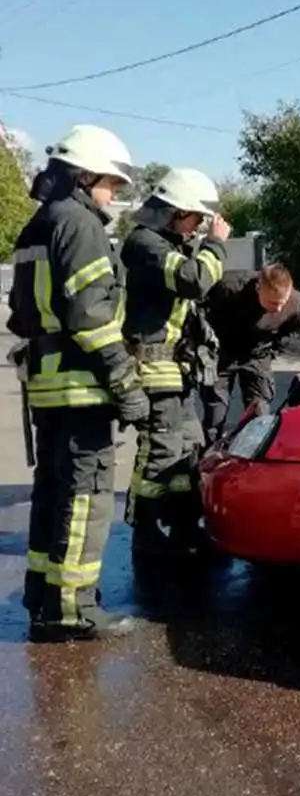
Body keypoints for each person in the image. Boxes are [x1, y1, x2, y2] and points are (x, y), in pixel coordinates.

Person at [7, 124, 149, 642]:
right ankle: (73, 608)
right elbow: (92, 317)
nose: (113, 195)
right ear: (86, 176)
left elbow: (20, 313)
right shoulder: (81, 225)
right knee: (87, 495)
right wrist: (126, 382)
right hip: (82, 386)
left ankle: (44, 597)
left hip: (46, 387)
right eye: (111, 183)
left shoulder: (35, 226)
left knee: (52, 490)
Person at [120, 167, 230, 558]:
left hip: (176, 371)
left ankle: (184, 525)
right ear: (177, 211)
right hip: (153, 370)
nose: (198, 226)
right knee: (160, 450)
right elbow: (195, 279)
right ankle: (144, 528)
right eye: (196, 218)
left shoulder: (165, 244)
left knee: (189, 450)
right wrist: (216, 245)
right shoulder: (145, 244)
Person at [199, 263, 300, 446]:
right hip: (222, 353)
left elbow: (292, 327)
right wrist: (204, 345)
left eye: (282, 302)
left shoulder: (295, 303)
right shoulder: (229, 287)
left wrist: (273, 349)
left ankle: (251, 461)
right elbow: (200, 312)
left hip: (258, 354)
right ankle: (207, 462)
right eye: (273, 303)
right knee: (215, 414)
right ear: (259, 288)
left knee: (259, 415)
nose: (279, 308)